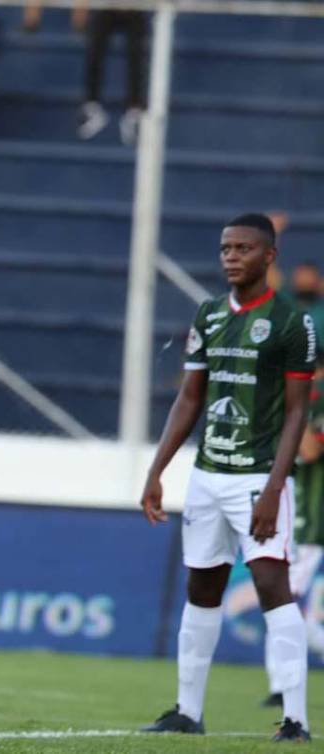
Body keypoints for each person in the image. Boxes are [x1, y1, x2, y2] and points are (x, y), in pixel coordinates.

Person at [140, 213, 313, 742]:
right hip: (209, 475)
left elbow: (296, 413)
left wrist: (274, 488)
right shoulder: (210, 315)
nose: (230, 257)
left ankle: (295, 720)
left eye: (242, 248)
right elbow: (190, 398)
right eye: (224, 248)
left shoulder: (289, 322)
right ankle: (187, 712)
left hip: (258, 477)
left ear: (268, 256)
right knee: (202, 585)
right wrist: (157, 469)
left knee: (270, 585)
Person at [264, 353, 324, 708]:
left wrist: (295, 413)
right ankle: (279, 683)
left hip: (314, 524)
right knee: (286, 600)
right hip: (299, 522)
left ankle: (281, 682)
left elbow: (311, 450)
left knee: (285, 599)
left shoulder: (311, 407)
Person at [76, 9, 147, 146]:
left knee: (137, 52)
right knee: (94, 47)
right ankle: (92, 104)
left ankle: (134, 109)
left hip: (136, 7)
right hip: (107, 6)